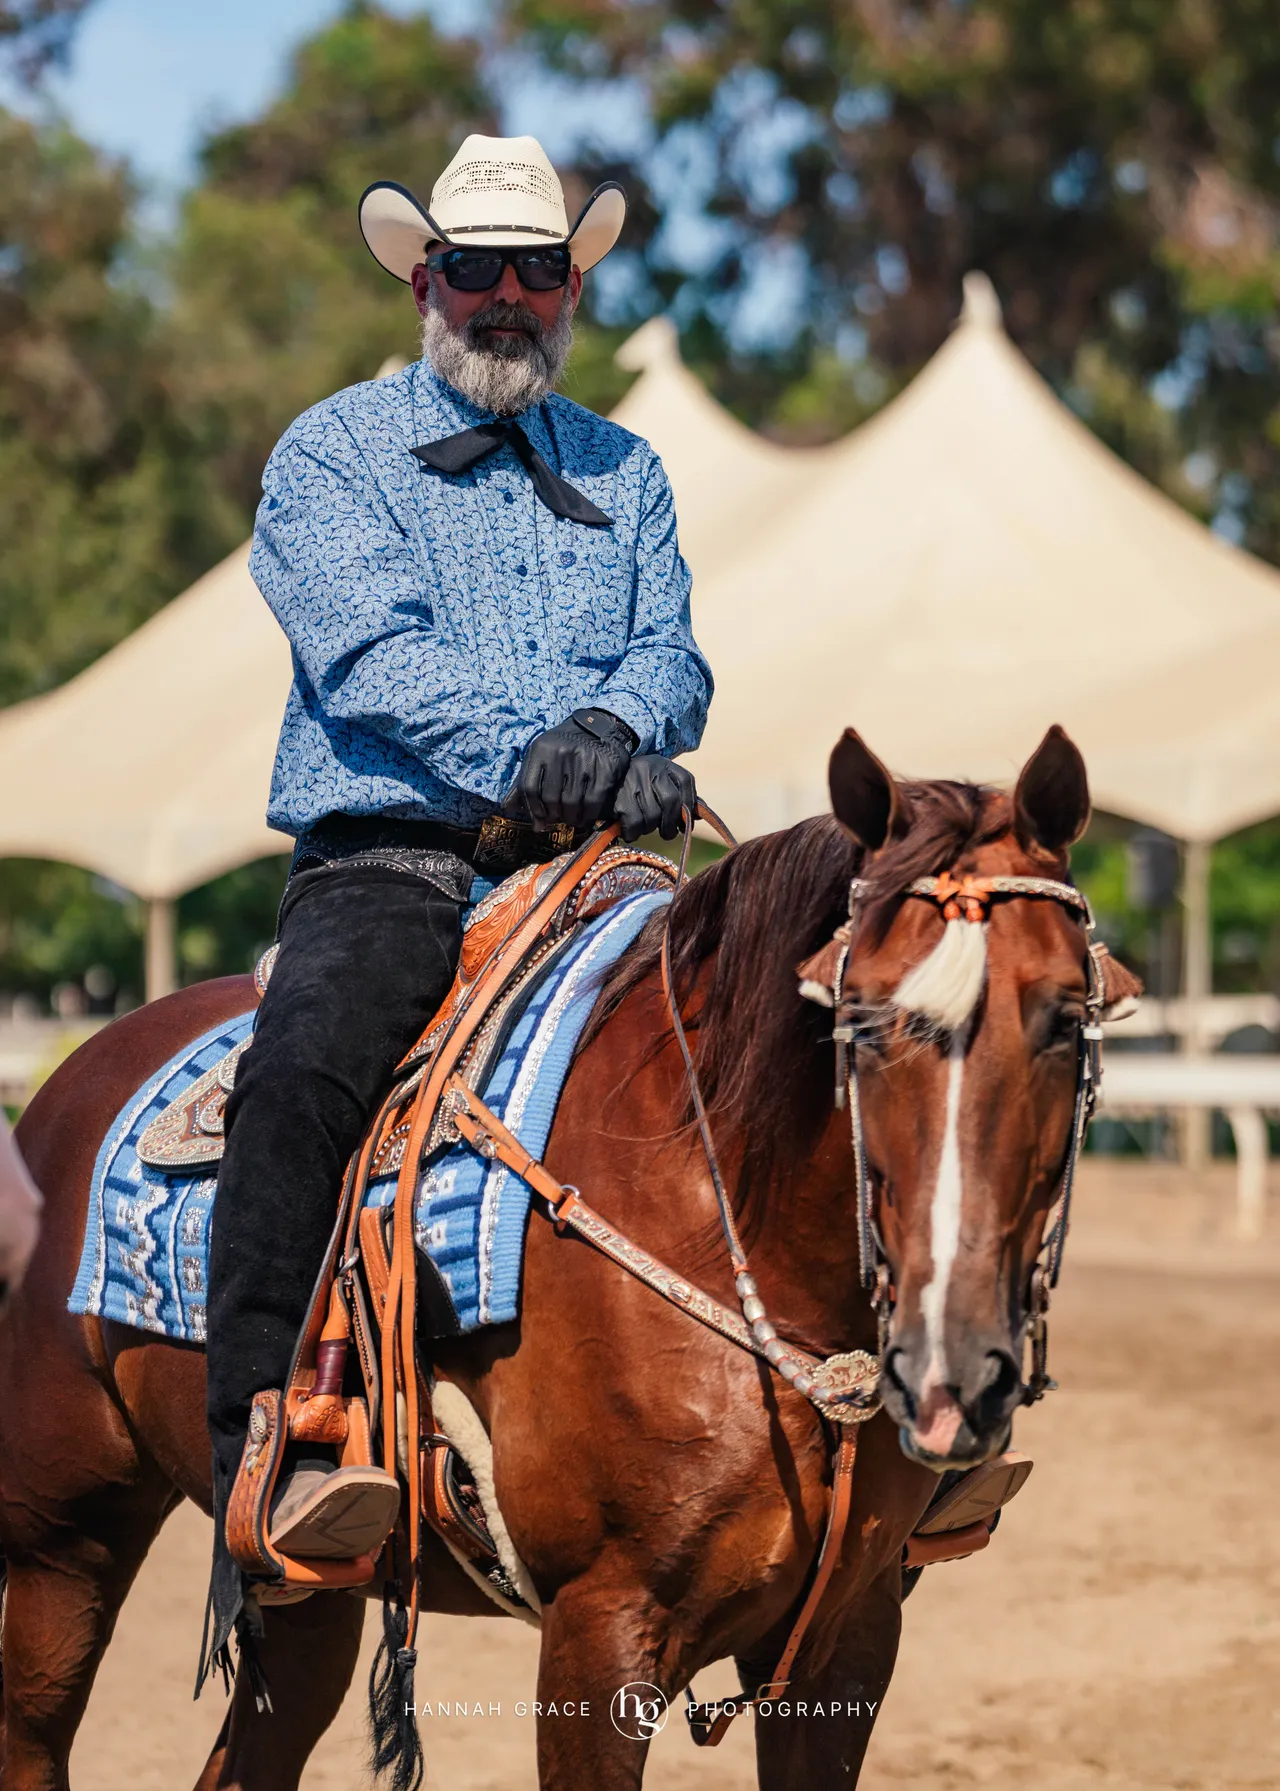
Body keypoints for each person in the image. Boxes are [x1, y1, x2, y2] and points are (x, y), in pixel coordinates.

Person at [203, 135, 711, 1623]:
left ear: (574, 292)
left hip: (603, 866)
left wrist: (621, 726)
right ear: (424, 281)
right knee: (304, 1077)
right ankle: (270, 1445)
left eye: (536, 272)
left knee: (772, 1029)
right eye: (476, 269)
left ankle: (859, 1422)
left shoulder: (636, 471)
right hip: (396, 858)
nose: (505, 297)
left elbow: (674, 645)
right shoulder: (326, 455)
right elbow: (369, 660)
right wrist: (532, 749)